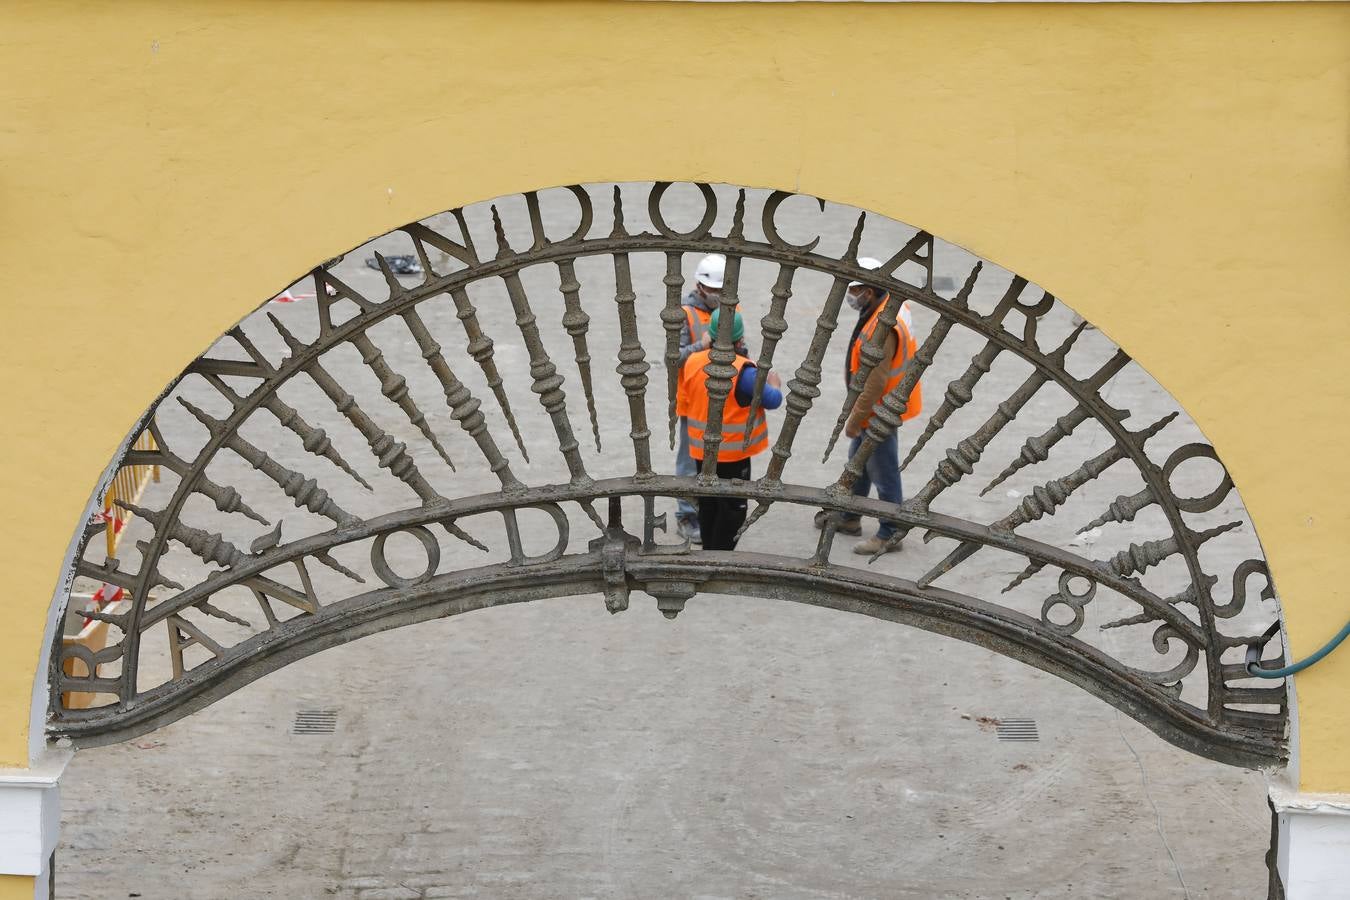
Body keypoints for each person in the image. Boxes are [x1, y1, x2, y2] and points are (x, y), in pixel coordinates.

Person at [814, 257, 922, 555]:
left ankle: (890, 531)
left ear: (871, 291)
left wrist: (854, 420)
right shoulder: (889, 307)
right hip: (884, 403)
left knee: (883, 470)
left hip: (879, 409)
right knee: (858, 463)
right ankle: (850, 516)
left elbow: (874, 384)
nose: (852, 296)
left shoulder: (883, 326)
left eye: (856, 290)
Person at [678, 309, 782, 551]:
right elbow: (772, 399)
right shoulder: (743, 371)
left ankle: (707, 550)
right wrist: (774, 384)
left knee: (708, 502)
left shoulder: (693, 361)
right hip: (733, 455)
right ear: (739, 339)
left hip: (700, 450)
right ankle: (720, 555)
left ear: (710, 335)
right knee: (732, 509)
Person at [673, 253, 746, 544]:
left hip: (724, 401)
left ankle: (710, 511)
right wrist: (699, 346)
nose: (718, 296)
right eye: (713, 290)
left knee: (717, 459)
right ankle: (686, 514)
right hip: (692, 401)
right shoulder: (684, 315)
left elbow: (743, 348)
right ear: (700, 286)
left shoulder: (732, 308)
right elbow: (673, 358)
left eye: (722, 290)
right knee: (690, 461)